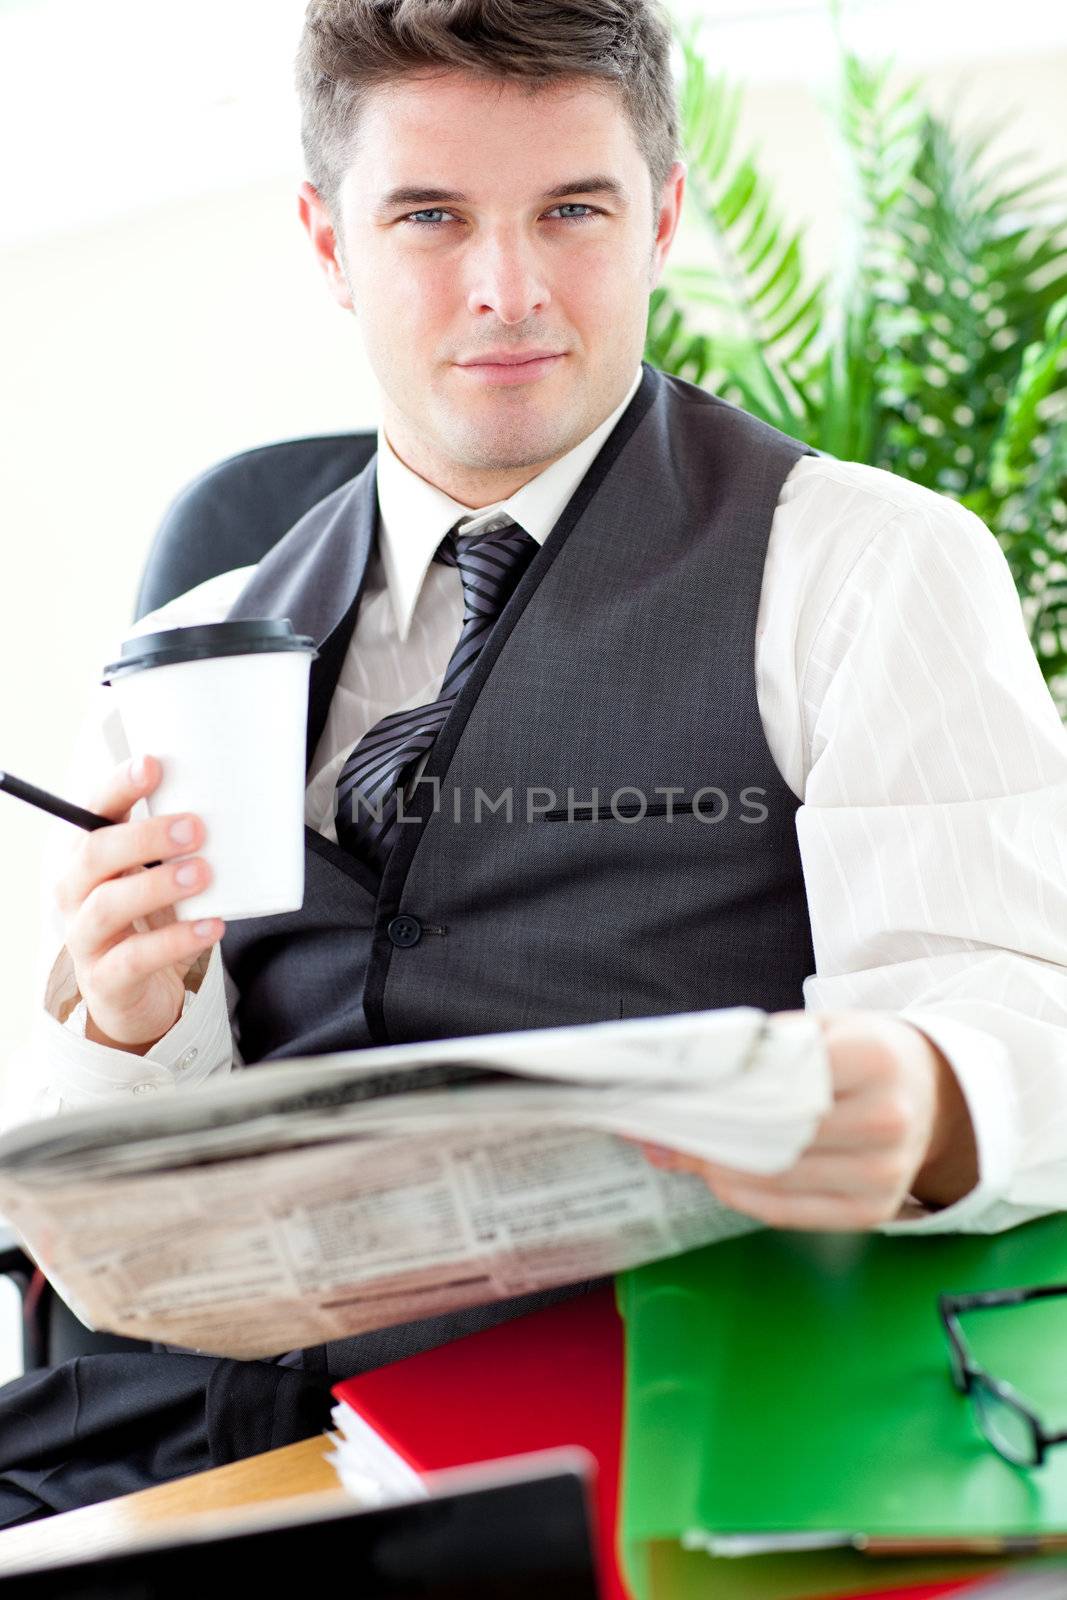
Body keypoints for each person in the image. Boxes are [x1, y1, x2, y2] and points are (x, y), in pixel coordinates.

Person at [3, 0, 1067, 1518]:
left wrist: (925, 1085)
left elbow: (1016, 1003)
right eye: (430, 217)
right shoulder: (191, 649)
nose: (507, 290)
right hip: (201, 1444)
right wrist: (127, 1020)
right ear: (327, 242)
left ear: (665, 217)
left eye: (573, 210)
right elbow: (97, 1210)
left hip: (647, 1434)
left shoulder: (866, 569)